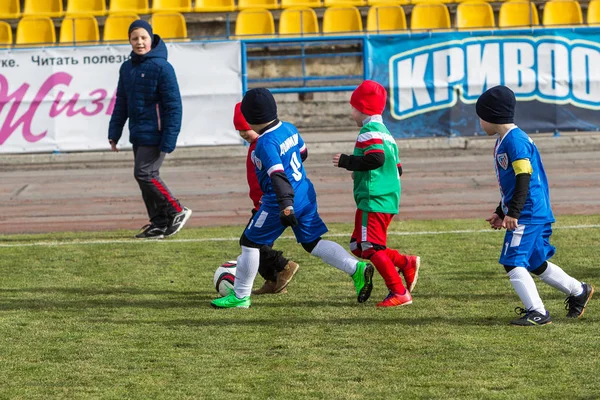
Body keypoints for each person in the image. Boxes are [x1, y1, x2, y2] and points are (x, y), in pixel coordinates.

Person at [211, 88, 375, 309]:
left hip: (280, 200)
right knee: (312, 243)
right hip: (305, 193)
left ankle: (240, 297)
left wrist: (286, 206)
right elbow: (303, 153)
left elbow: (278, 177)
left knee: (249, 242)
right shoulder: (289, 127)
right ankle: (356, 269)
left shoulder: (265, 143)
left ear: (250, 119)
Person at [478, 85, 594, 326]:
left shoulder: (515, 141)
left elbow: (524, 177)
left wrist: (514, 213)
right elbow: (512, 183)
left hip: (528, 212)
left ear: (492, 115)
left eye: (480, 117)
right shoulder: (505, 139)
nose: (479, 122)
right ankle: (578, 290)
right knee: (534, 261)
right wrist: (501, 211)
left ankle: (537, 312)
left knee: (512, 261)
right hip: (532, 210)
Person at [333, 80, 420, 308]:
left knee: (370, 247)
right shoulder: (387, 134)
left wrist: (348, 162)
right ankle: (404, 262)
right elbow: (396, 168)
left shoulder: (368, 131)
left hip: (374, 199)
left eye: (353, 107)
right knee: (357, 246)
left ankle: (398, 291)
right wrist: (361, 172)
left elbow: (376, 159)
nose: (351, 112)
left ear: (362, 108)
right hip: (387, 198)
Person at [108, 20, 191, 239]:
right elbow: (121, 103)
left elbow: (174, 106)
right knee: (144, 177)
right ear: (129, 40)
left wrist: (170, 137)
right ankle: (158, 223)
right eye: (135, 38)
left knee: (145, 173)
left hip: (157, 133)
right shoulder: (127, 68)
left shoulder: (162, 67)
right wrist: (114, 133)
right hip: (138, 132)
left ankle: (176, 209)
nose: (139, 42)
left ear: (151, 39)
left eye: (143, 38)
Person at [233, 102, 299, 294]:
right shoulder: (256, 145)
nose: (244, 133)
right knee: (256, 245)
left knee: (252, 243)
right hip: (262, 203)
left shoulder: (263, 146)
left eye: (246, 129)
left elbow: (274, 175)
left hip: (269, 203)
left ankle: (283, 266)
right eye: (239, 131)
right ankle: (274, 281)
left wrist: (268, 201)